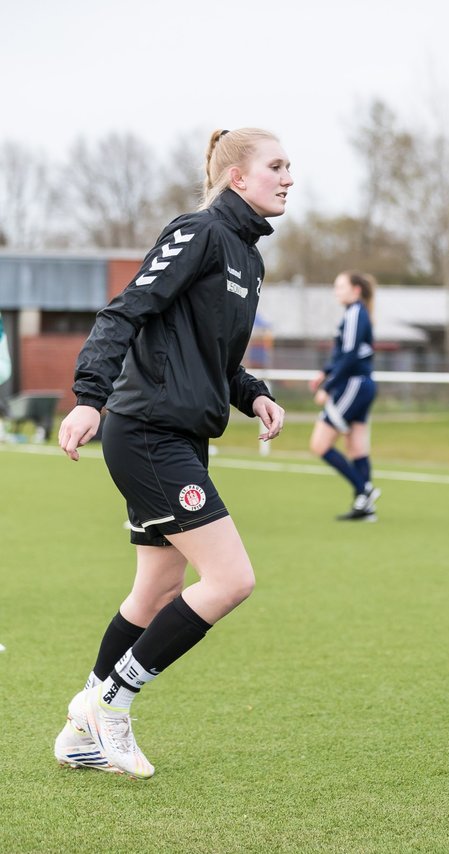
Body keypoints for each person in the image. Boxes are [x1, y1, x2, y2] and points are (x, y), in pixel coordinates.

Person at [53, 128, 291, 778]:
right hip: (147, 430)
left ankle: (80, 729)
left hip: (178, 434)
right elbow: (124, 312)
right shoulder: (199, 231)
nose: (288, 177)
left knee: (158, 587)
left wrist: (254, 395)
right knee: (231, 579)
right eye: (276, 165)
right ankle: (113, 701)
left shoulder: (249, 261)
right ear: (237, 177)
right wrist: (87, 397)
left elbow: (214, 358)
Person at [308, 270, 379, 521]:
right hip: (363, 384)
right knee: (355, 445)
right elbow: (347, 354)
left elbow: (349, 356)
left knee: (319, 444)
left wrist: (328, 386)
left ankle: (364, 490)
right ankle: (365, 507)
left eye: (340, 286)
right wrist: (324, 372)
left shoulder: (355, 313)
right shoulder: (357, 313)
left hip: (354, 385)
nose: (336, 291)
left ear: (356, 290)